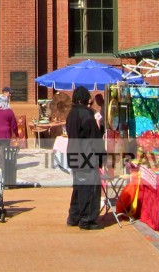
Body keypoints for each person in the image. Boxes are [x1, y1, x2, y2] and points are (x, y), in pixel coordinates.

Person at [66, 87, 103, 230]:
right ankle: (87, 219)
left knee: (78, 188)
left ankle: (74, 217)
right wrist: (101, 156)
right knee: (89, 188)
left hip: (74, 155)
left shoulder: (71, 114)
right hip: (86, 156)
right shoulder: (86, 114)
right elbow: (95, 138)